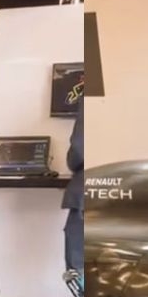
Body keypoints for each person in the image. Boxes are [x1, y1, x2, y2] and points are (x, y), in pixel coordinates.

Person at [62, 97, 84, 271]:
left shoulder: (96, 92)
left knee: (79, 273)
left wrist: (72, 163)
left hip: (91, 190)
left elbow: (79, 149)